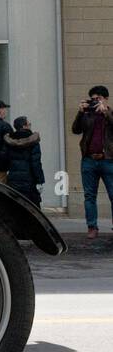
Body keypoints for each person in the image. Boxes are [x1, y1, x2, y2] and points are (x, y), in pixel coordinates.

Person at [72, 85, 113, 240]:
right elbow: (75, 130)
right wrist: (80, 112)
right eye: (93, 99)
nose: (96, 102)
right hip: (89, 160)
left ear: (105, 99)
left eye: (99, 99)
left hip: (108, 160)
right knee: (89, 196)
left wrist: (106, 112)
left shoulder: (110, 113)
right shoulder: (87, 115)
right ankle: (92, 227)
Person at [3, 115, 44, 206]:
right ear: (24, 126)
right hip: (29, 180)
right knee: (31, 207)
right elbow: (36, 163)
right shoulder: (33, 141)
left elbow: (5, 159)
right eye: (29, 124)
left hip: (13, 180)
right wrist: (39, 180)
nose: (30, 126)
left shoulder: (9, 141)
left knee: (15, 206)